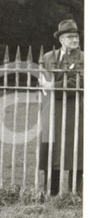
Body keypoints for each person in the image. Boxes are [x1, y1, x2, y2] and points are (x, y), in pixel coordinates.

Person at [39, 19, 84, 195]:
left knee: (77, 152)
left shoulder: (84, 58)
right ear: (61, 39)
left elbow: (80, 82)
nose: (75, 40)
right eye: (70, 37)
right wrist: (45, 85)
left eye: (76, 36)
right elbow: (43, 80)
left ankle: (77, 193)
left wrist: (53, 87)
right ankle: (51, 191)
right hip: (51, 111)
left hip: (75, 111)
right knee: (52, 151)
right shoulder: (48, 57)